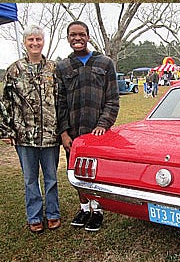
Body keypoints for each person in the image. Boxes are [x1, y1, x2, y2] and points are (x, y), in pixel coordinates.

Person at [57, 21, 120, 232]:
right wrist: (64, 133)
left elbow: (113, 100)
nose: (77, 38)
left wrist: (103, 124)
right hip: (75, 134)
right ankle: (84, 208)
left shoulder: (105, 63)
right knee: (77, 172)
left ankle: (98, 210)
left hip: (98, 132)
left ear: (88, 36)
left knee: (97, 172)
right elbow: (60, 102)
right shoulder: (63, 66)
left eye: (81, 34)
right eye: (73, 35)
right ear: (67, 38)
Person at [0, 26, 61, 234]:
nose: (35, 43)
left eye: (38, 39)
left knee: (51, 178)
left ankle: (53, 214)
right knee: (30, 179)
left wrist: (63, 128)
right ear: (25, 43)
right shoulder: (14, 69)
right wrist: (6, 130)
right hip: (24, 135)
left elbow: (61, 100)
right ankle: (34, 216)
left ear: (43, 41)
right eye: (31, 40)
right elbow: (5, 102)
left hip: (51, 135)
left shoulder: (53, 68)